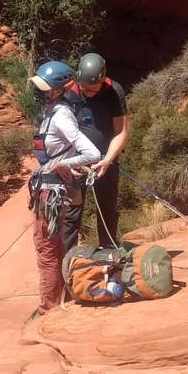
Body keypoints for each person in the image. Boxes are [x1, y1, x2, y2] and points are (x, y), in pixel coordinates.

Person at [27, 60, 102, 317]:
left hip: (52, 193)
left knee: (46, 250)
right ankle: (63, 297)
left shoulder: (61, 116)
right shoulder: (50, 112)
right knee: (55, 246)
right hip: (49, 190)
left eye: (44, 87)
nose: (38, 91)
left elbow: (92, 153)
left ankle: (48, 308)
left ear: (58, 90)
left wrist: (63, 164)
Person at [68, 53, 129, 250]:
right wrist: (69, 161)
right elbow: (59, 131)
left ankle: (109, 252)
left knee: (107, 208)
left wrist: (108, 160)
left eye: (93, 89)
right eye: (84, 88)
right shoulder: (69, 92)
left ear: (103, 80)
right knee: (71, 212)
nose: (88, 93)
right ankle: (66, 259)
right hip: (76, 161)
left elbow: (121, 132)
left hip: (105, 159)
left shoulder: (113, 91)